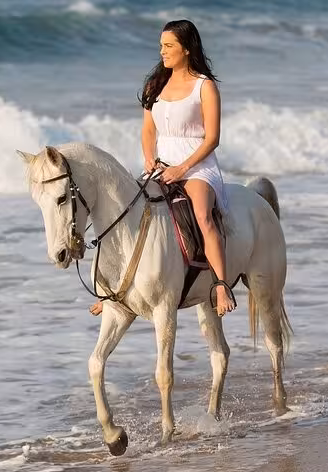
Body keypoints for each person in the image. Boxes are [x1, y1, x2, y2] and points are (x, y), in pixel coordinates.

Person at [90, 19, 235, 317]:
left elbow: (213, 139)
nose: (163, 51)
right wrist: (148, 158)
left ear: (186, 48)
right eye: (161, 46)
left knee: (202, 215)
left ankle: (221, 284)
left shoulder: (204, 87)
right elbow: (147, 131)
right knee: (126, 211)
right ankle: (112, 290)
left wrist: (182, 169)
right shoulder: (155, 84)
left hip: (196, 166)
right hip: (160, 165)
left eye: (169, 46)